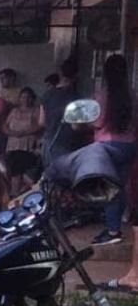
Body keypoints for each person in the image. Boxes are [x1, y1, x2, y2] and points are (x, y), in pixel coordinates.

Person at [91, 54, 136, 246]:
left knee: (108, 188)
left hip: (107, 146)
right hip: (130, 145)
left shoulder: (102, 95)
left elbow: (98, 122)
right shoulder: (133, 95)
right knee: (121, 186)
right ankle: (114, 226)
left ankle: (112, 230)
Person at [39, 57, 81, 165]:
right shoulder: (75, 97)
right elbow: (76, 126)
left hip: (48, 142)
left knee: (49, 176)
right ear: (76, 76)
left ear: (60, 74)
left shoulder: (47, 95)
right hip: (66, 143)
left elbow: (41, 122)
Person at [3, 87, 42, 195]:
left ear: (32, 98)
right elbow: (5, 126)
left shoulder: (36, 110)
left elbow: (39, 126)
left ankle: (23, 195)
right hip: (13, 145)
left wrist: (23, 133)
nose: (25, 99)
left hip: (27, 146)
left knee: (24, 173)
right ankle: (14, 195)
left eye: (28, 97)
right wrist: (12, 133)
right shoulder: (14, 111)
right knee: (13, 172)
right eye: (23, 96)